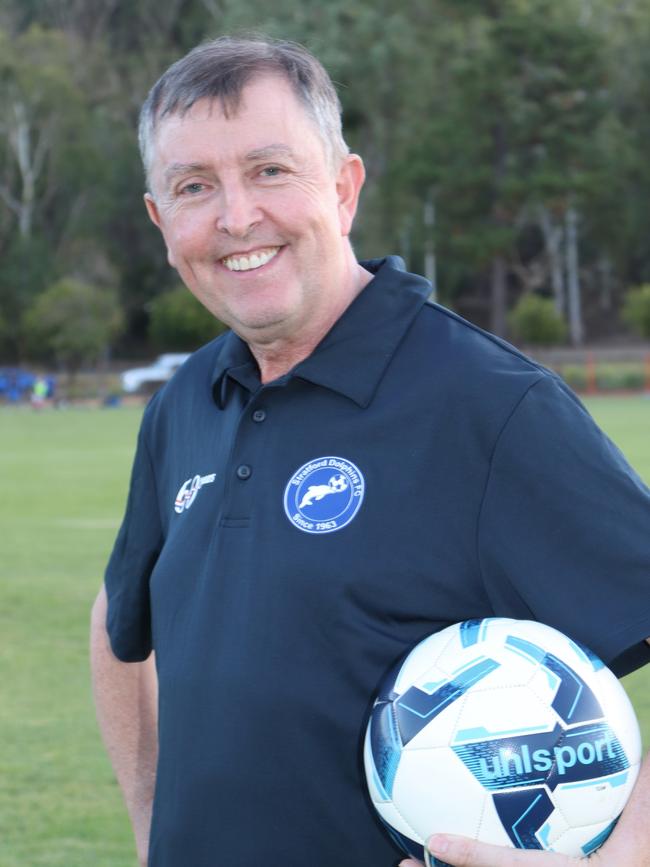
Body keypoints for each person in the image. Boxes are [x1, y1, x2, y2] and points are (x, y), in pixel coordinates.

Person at [90, 36, 650, 867]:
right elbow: (120, 617)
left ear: (344, 187)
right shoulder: (184, 402)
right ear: (160, 220)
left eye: (270, 170)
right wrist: (149, 823)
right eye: (194, 187)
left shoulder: (489, 406)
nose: (236, 217)